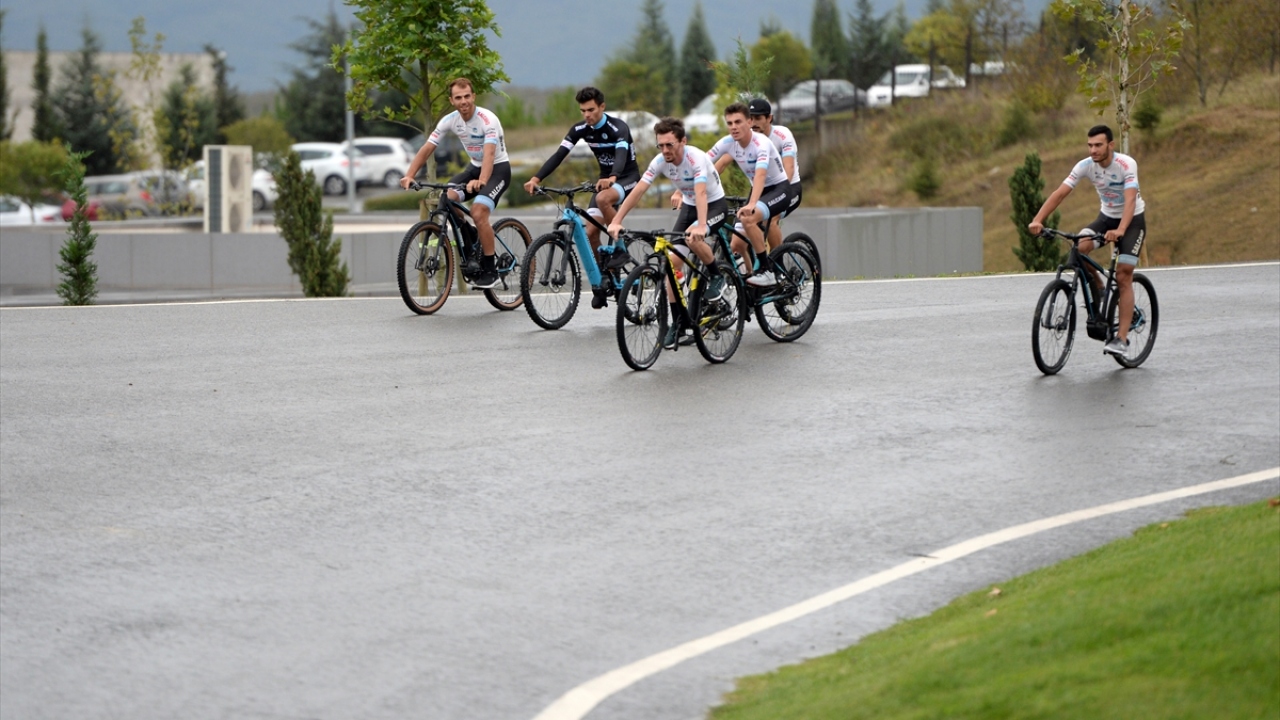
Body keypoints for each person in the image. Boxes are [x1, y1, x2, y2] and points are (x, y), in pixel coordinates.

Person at [608, 117, 728, 348]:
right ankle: (679, 323)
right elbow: (639, 190)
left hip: (714, 205)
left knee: (693, 237)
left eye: (669, 145)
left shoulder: (696, 159)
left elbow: (701, 193)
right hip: (690, 207)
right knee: (672, 265)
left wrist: (702, 226)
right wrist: (616, 220)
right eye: (660, 145)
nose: (665, 150)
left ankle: (716, 275)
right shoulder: (660, 161)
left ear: (682, 141)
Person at [1029, 125, 1147, 357]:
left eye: (1098, 145)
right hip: (1105, 218)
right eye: (1090, 145)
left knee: (1123, 274)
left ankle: (1121, 339)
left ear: (1110, 145)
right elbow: (1060, 193)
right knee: (1078, 250)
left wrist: (1121, 229)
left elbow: (1130, 200)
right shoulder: (1085, 166)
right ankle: (1099, 287)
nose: (1093, 150)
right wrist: (1038, 220)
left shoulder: (1126, 164)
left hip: (1131, 221)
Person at [524, 87, 643, 308]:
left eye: (591, 110)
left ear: (602, 107)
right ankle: (603, 279)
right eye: (583, 111)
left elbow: (620, 156)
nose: (587, 115)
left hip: (627, 178)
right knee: (590, 233)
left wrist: (613, 177)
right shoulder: (581, 128)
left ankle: (619, 246)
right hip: (605, 180)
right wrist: (536, 178)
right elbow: (559, 154)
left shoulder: (618, 128)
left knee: (602, 199)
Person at [401, 78, 511, 289]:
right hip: (474, 167)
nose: (464, 101)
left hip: (498, 169)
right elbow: (427, 148)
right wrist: (410, 174)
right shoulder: (450, 120)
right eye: (458, 98)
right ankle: (470, 234)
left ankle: (491, 269)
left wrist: (481, 182)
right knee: (447, 199)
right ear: (451, 100)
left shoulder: (487, 120)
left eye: (467, 96)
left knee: (478, 211)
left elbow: (489, 154)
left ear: (474, 96)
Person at [706, 102, 791, 287]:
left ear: (749, 121)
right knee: (736, 245)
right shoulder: (728, 143)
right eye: (729, 123)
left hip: (778, 189)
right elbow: (702, 164)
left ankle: (767, 270)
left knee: (749, 218)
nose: (733, 127)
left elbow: (760, 175)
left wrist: (752, 204)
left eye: (738, 122)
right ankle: (750, 282)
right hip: (758, 192)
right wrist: (682, 191)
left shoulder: (761, 143)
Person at [746, 98, 802, 253]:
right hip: (761, 190)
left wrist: (781, 193)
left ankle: (779, 268)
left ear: (769, 118)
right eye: (750, 118)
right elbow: (723, 161)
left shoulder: (782, 135)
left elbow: (788, 168)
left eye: (758, 118)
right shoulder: (747, 138)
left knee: (769, 219)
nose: (753, 123)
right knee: (744, 223)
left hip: (788, 187)